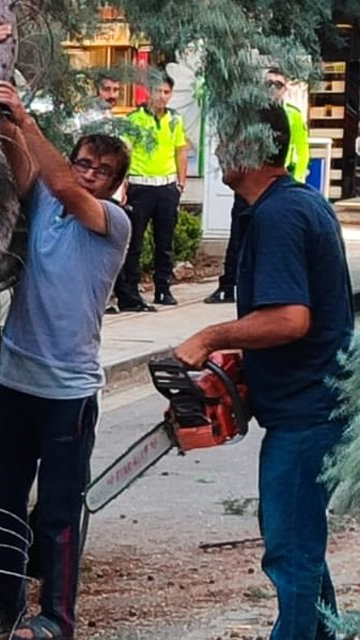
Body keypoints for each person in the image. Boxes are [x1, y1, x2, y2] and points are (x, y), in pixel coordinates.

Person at [0, 19, 132, 640]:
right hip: (16, 384)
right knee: (5, 503)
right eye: (83, 162)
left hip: (68, 395)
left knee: (58, 512)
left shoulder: (109, 222)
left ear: (115, 185)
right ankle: (4, 609)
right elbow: (16, 150)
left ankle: (56, 618)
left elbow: (55, 175)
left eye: (99, 170)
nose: (86, 173)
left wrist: (30, 120)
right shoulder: (47, 205)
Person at [175, 103, 352, 640]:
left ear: (252, 146)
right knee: (299, 544)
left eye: (228, 140)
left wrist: (210, 338)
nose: (220, 151)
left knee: (291, 550)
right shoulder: (292, 205)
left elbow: (290, 318)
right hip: (311, 404)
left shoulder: (279, 214)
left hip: (307, 412)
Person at [205, 69, 311, 304]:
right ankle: (229, 283)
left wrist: (297, 182)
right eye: (269, 82)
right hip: (252, 183)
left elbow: (302, 151)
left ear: (285, 88)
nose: (273, 88)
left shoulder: (292, 116)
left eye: (278, 84)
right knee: (238, 236)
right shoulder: (249, 114)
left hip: (276, 181)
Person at [114, 74, 188, 312]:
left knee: (164, 242)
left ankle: (163, 289)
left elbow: (181, 151)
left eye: (166, 92)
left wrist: (180, 183)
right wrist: (123, 184)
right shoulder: (134, 119)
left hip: (166, 187)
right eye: (158, 91)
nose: (162, 97)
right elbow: (125, 151)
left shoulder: (175, 120)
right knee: (134, 241)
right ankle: (130, 292)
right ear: (148, 92)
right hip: (140, 185)